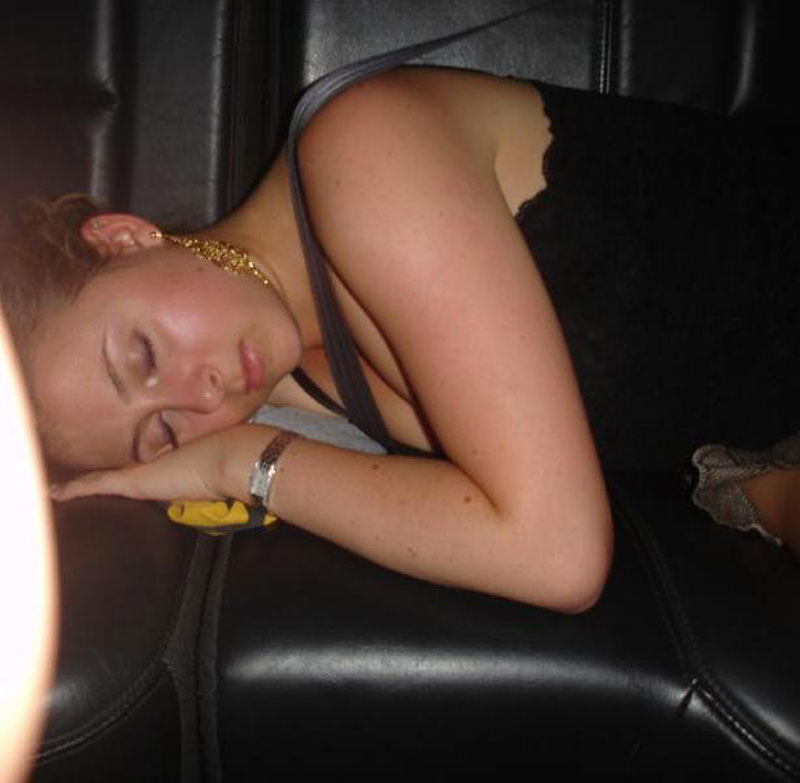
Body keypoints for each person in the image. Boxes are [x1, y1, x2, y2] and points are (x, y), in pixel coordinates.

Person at [2, 67, 799, 611]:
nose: (200, 392)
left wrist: (239, 462)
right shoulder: (285, 387)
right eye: (161, 431)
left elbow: (556, 553)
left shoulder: (361, 153)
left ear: (124, 237)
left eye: (142, 355)